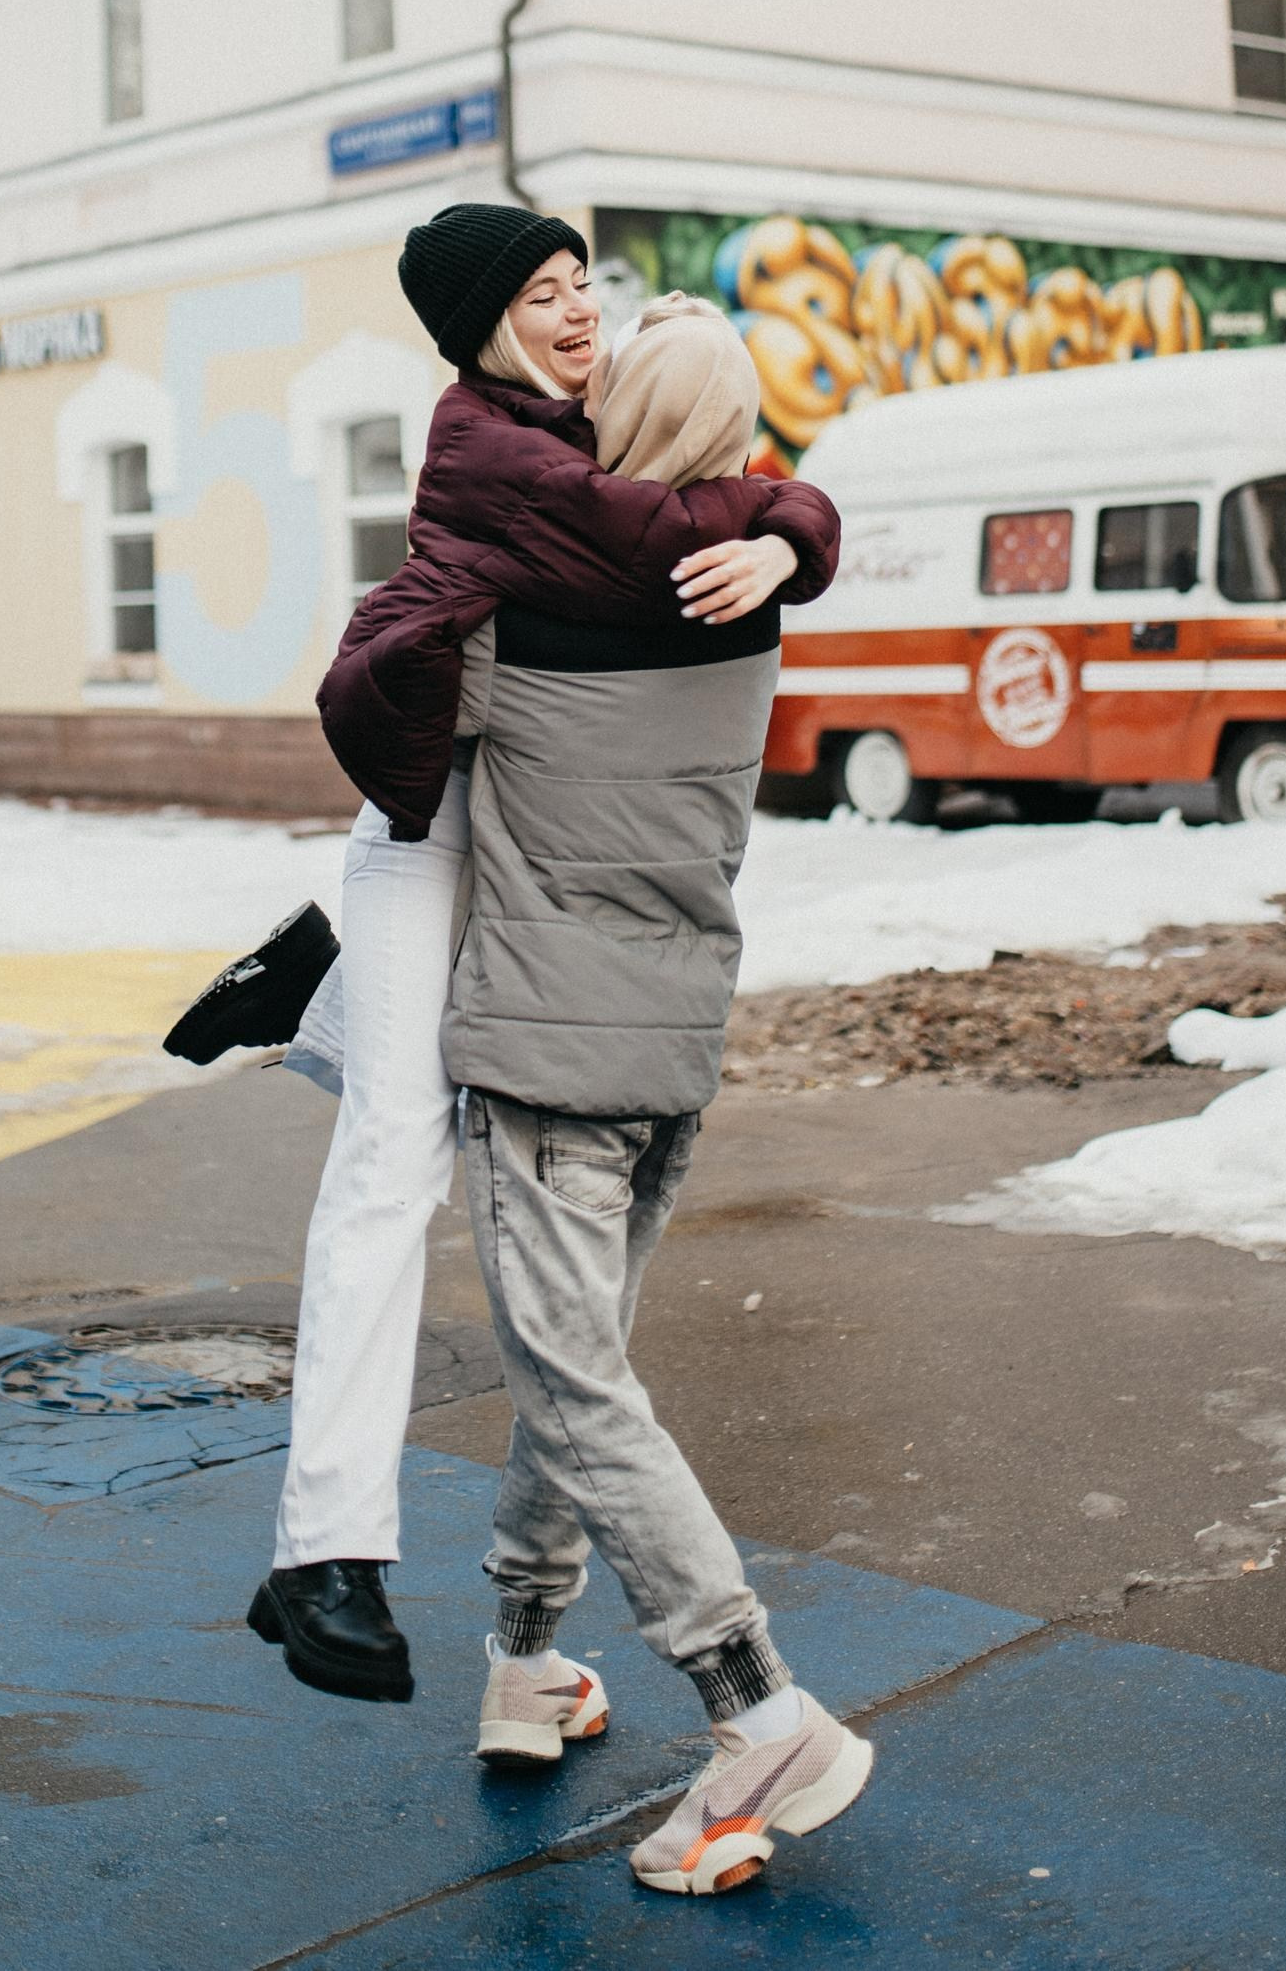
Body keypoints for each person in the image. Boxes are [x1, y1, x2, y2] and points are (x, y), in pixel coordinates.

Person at [250, 204, 838, 1711]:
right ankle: (326, 1553)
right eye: (540, 291)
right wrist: (779, 531)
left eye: (587, 284)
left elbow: (734, 492)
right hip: (425, 825)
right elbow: (662, 534)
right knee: (396, 1145)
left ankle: (312, 1002)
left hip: (511, 820)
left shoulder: (580, 430)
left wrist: (792, 528)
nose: (578, 310)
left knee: (435, 1132)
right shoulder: (490, 447)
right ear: (479, 323)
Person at [445, 291, 873, 1897]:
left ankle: (754, 1703)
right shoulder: (751, 598)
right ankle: (526, 1659)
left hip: (548, 1060)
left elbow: (384, 726)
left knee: (573, 1384)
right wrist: (793, 525)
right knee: (582, 1371)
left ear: (608, 437)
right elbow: (769, 507)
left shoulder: (516, 621)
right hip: (670, 1045)